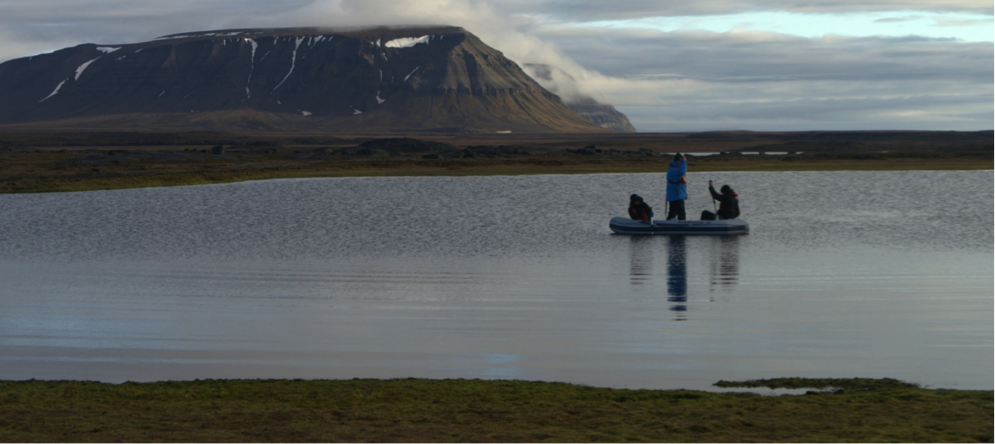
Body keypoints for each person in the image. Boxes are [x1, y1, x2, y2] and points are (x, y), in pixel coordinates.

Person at [665, 153, 687, 220]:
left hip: (678, 195)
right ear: (678, 161)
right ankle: (682, 227)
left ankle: (668, 225)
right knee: (681, 212)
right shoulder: (672, 170)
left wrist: (683, 162)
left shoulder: (677, 168)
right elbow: (681, 172)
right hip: (675, 196)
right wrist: (684, 162)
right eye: (680, 161)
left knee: (673, 212)